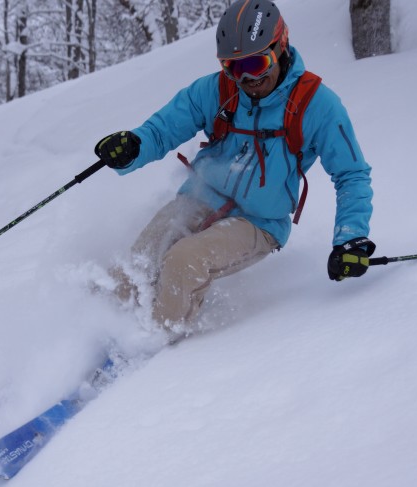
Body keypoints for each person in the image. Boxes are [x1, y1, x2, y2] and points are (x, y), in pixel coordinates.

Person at [93, 0, 375, 335]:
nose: (246, 78)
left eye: (257, 63)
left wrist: (351, 238)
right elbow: (162, 129)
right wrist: (133, 146)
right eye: (233, 66)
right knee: (142, 256)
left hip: (258, 221)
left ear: (280, 46)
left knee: (183, 261)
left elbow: (351, 174)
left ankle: (152, 340)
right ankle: (99, 330)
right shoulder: (218, 89)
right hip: (200, 196)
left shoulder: (316, 104)